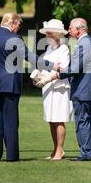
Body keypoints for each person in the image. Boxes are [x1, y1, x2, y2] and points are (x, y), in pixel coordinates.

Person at [0, 13, 57, 162]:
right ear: (13, 23)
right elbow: (30, 57)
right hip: (9, 84)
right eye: (19, 25)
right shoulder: (15, 39)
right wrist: (52, 65)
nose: (19, 28)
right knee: (10, 121)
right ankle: (12, 156)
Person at [50, 18, 91, 161]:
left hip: (83, 90)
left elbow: (75, 69)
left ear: (79, 29)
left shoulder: (83, 44)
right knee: (89, 121)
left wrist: (58, 74)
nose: (69, 30)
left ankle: (86, 153)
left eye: (71, 28)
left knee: (83, 121)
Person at [31, 19, 73, 161]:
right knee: (51, 119)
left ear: (56, 34)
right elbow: (43, 64)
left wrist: (49, 76)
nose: (46, 36)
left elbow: (64, 69)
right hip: (48, 88)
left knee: (59, 119)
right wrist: (37, 74)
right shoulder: (49, 49)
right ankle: (55, 148)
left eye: (49, 33)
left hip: (60, 88)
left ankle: (60, 150)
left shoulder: (64, 49)